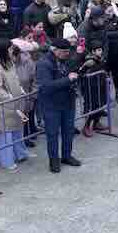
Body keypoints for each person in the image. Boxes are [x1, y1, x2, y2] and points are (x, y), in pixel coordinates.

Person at [0, 38, 31, 171]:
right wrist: (10, 97)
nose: (12, 51)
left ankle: (20, 154)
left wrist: (20, 90)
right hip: (1, 107)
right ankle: (7, 161)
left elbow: (14, 78)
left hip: (13, 105)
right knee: (5, 135)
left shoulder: (7, 61)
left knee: (16, 130)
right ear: (2, 51)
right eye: (10, 49)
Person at [36, 38, 82, 173]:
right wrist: (68, 79)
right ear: (54, 50)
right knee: (52, 134)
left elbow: (73, 73)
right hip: (51, 105)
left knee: (68, 131)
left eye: (68, 52)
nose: (67, 54)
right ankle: (54, 160)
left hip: (68, 102)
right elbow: (46, 86)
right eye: (64, 52)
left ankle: (67, 156)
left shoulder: (66, 59)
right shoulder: (43, 64)